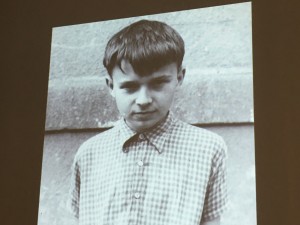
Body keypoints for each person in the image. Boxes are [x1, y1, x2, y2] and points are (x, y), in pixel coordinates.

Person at [68, 19, 228, 225]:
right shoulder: (88, 153)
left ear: (179, 77)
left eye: (158, 83)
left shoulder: (209, 149)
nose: (143, 100)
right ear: (111, 86)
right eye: (130, 87)